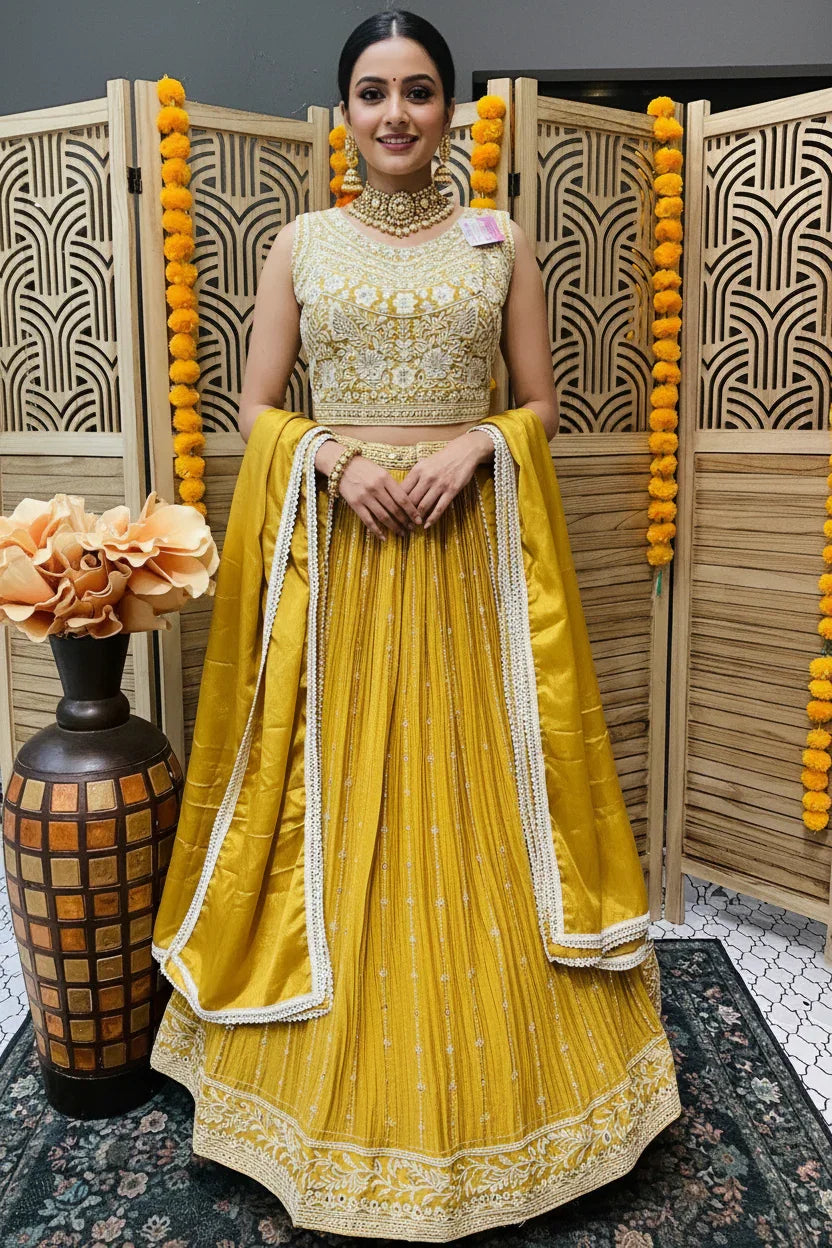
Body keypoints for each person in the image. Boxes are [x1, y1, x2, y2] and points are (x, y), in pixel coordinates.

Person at [150, 10, 683, 1239]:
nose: (397, 113)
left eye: (421, 91)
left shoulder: (502, 243)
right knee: (343, 803)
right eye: (374, 91)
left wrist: (477, 448)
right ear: (344, 110)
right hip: (343, 568)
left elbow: (542, 402)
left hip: (464, 571)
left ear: (452, 109)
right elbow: (257, 402)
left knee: (473, 799)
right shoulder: (301, 243)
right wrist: (328, 458)